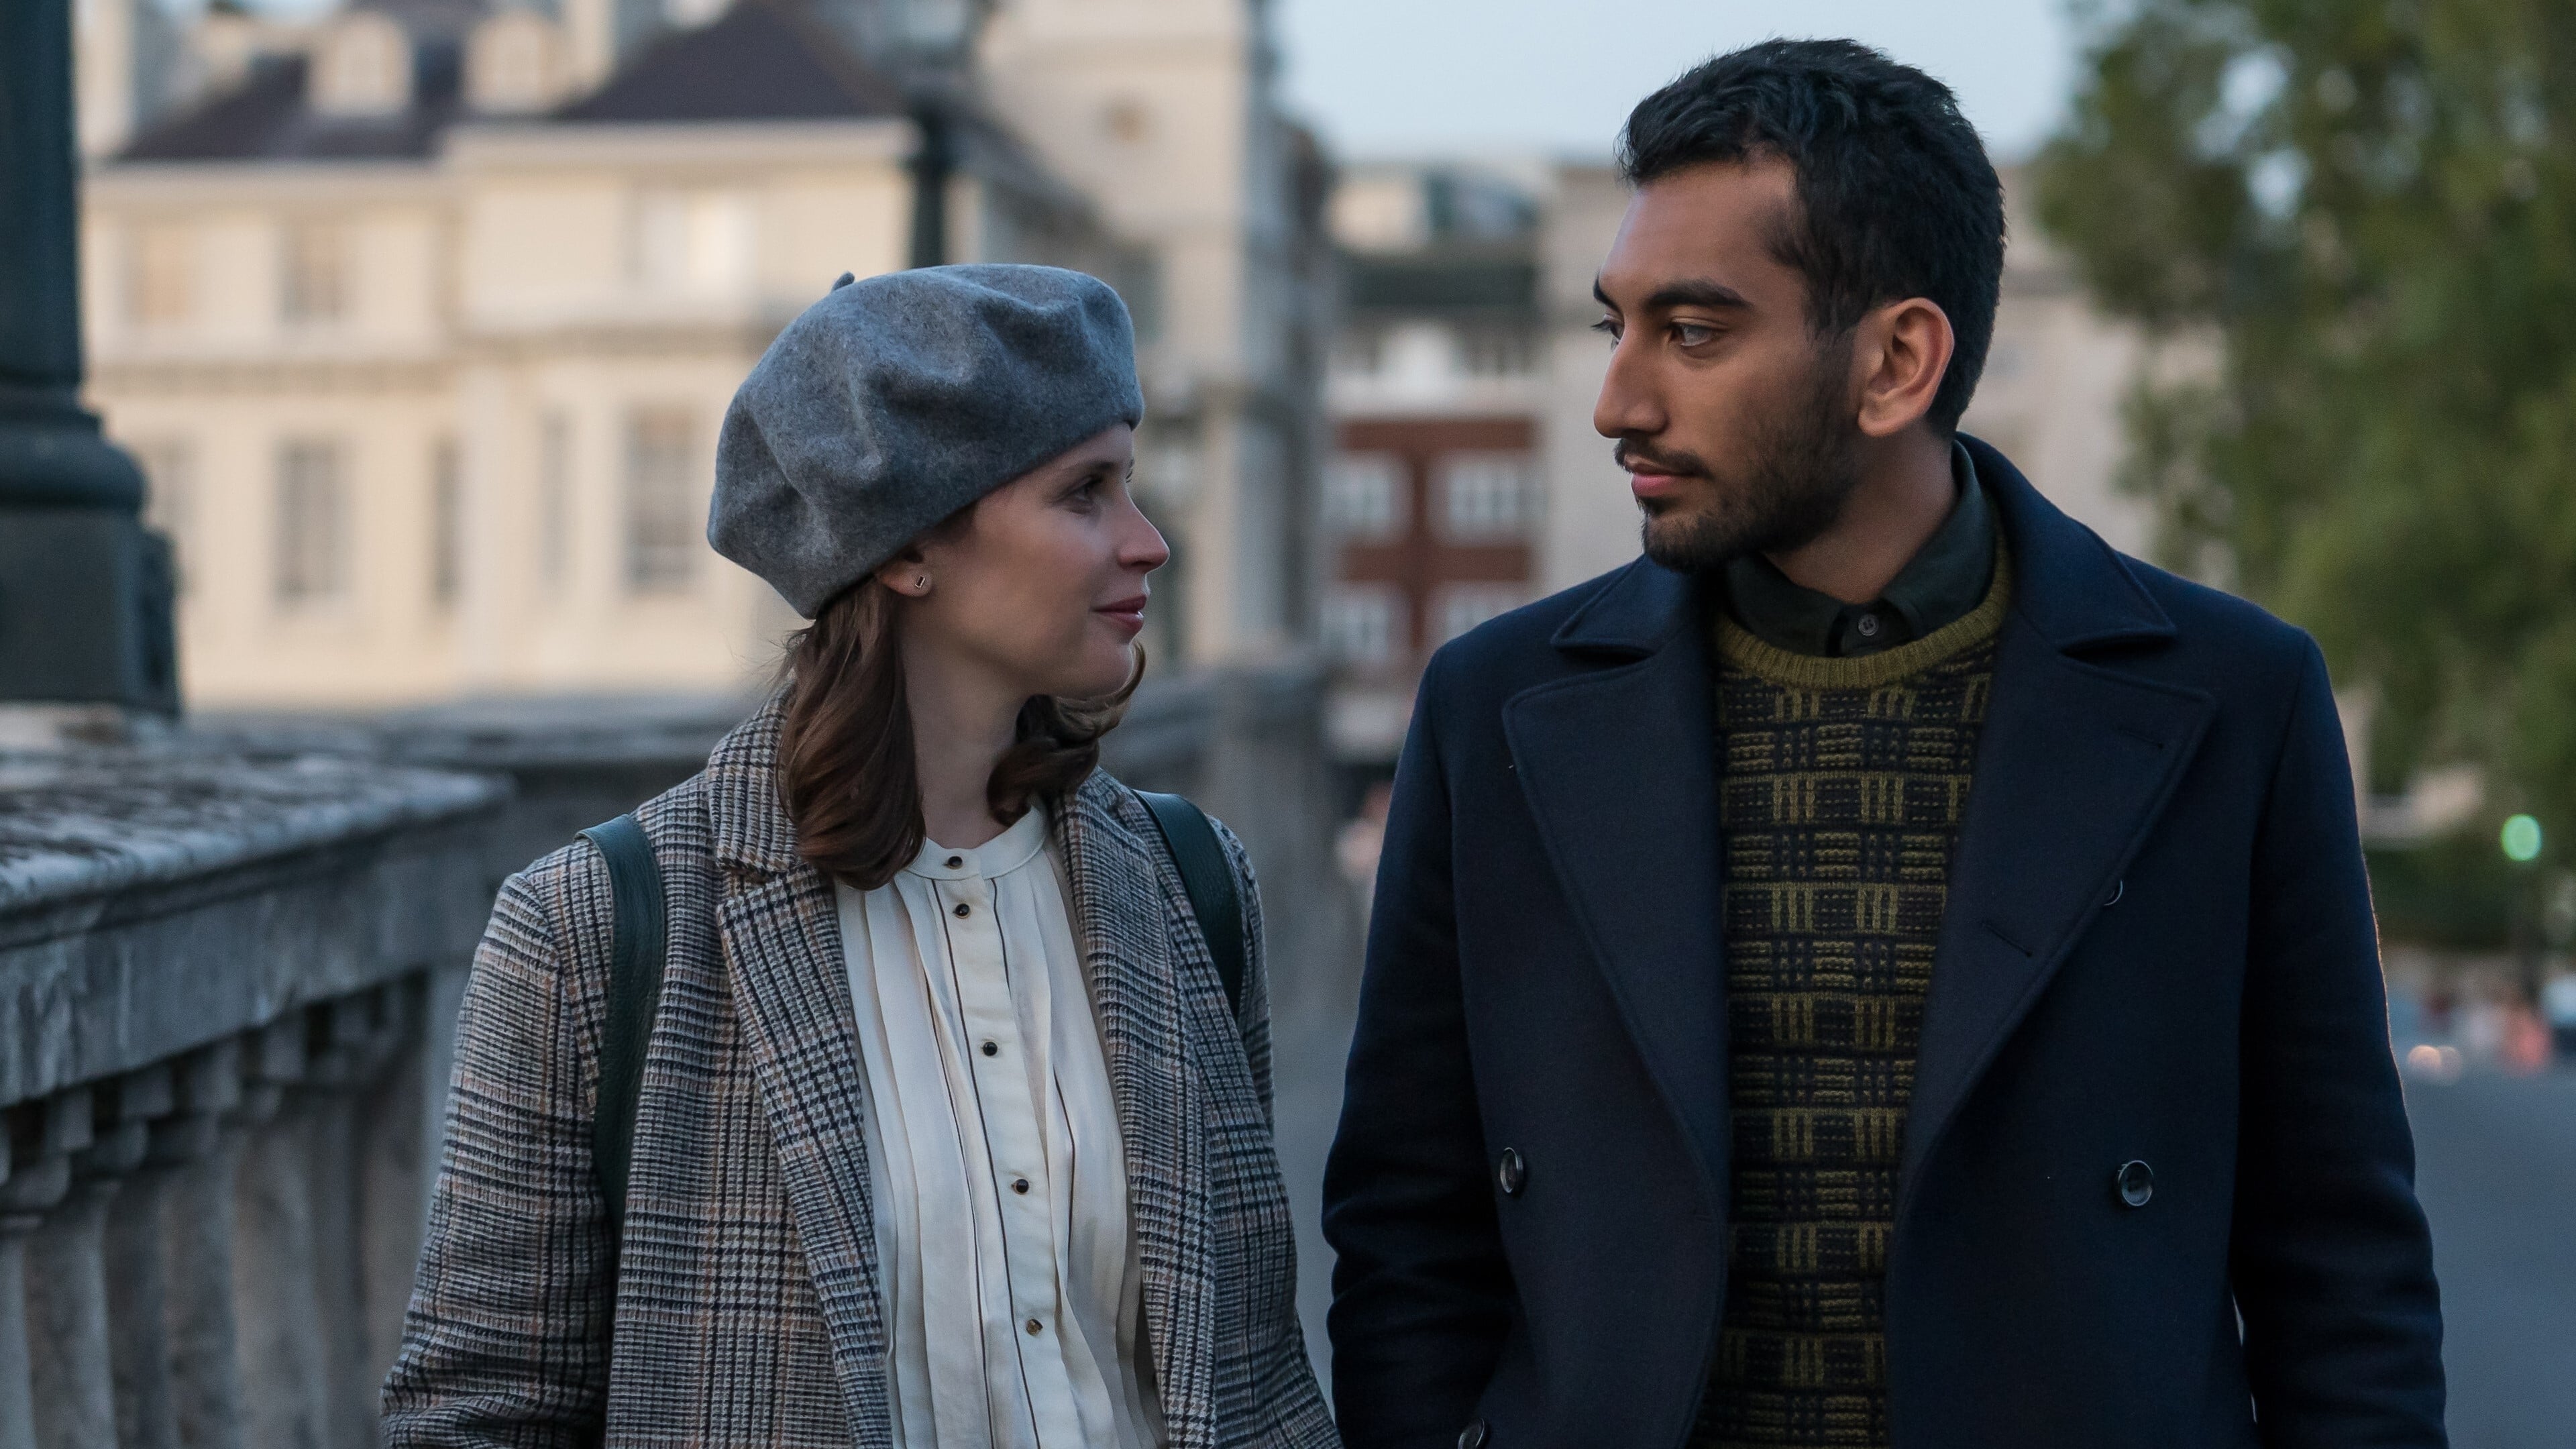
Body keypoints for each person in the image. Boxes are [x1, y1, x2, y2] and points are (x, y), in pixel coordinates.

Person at [1323, 40, 2445, 1449]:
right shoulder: (1496, 708)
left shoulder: (2234, 701)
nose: (1620, 400)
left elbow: (2341, 1267)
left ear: (1898, 361)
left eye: (1694, 332)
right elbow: (1409, 1235)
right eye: (1614, 327)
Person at [384, 264, 1338, 1449]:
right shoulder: (593, 927)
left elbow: (1255, 1374)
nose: (1149, 543)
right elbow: (480, 1411)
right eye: (1085, 493)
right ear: (907, 544)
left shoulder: (1191, 883)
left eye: (1129, 484)